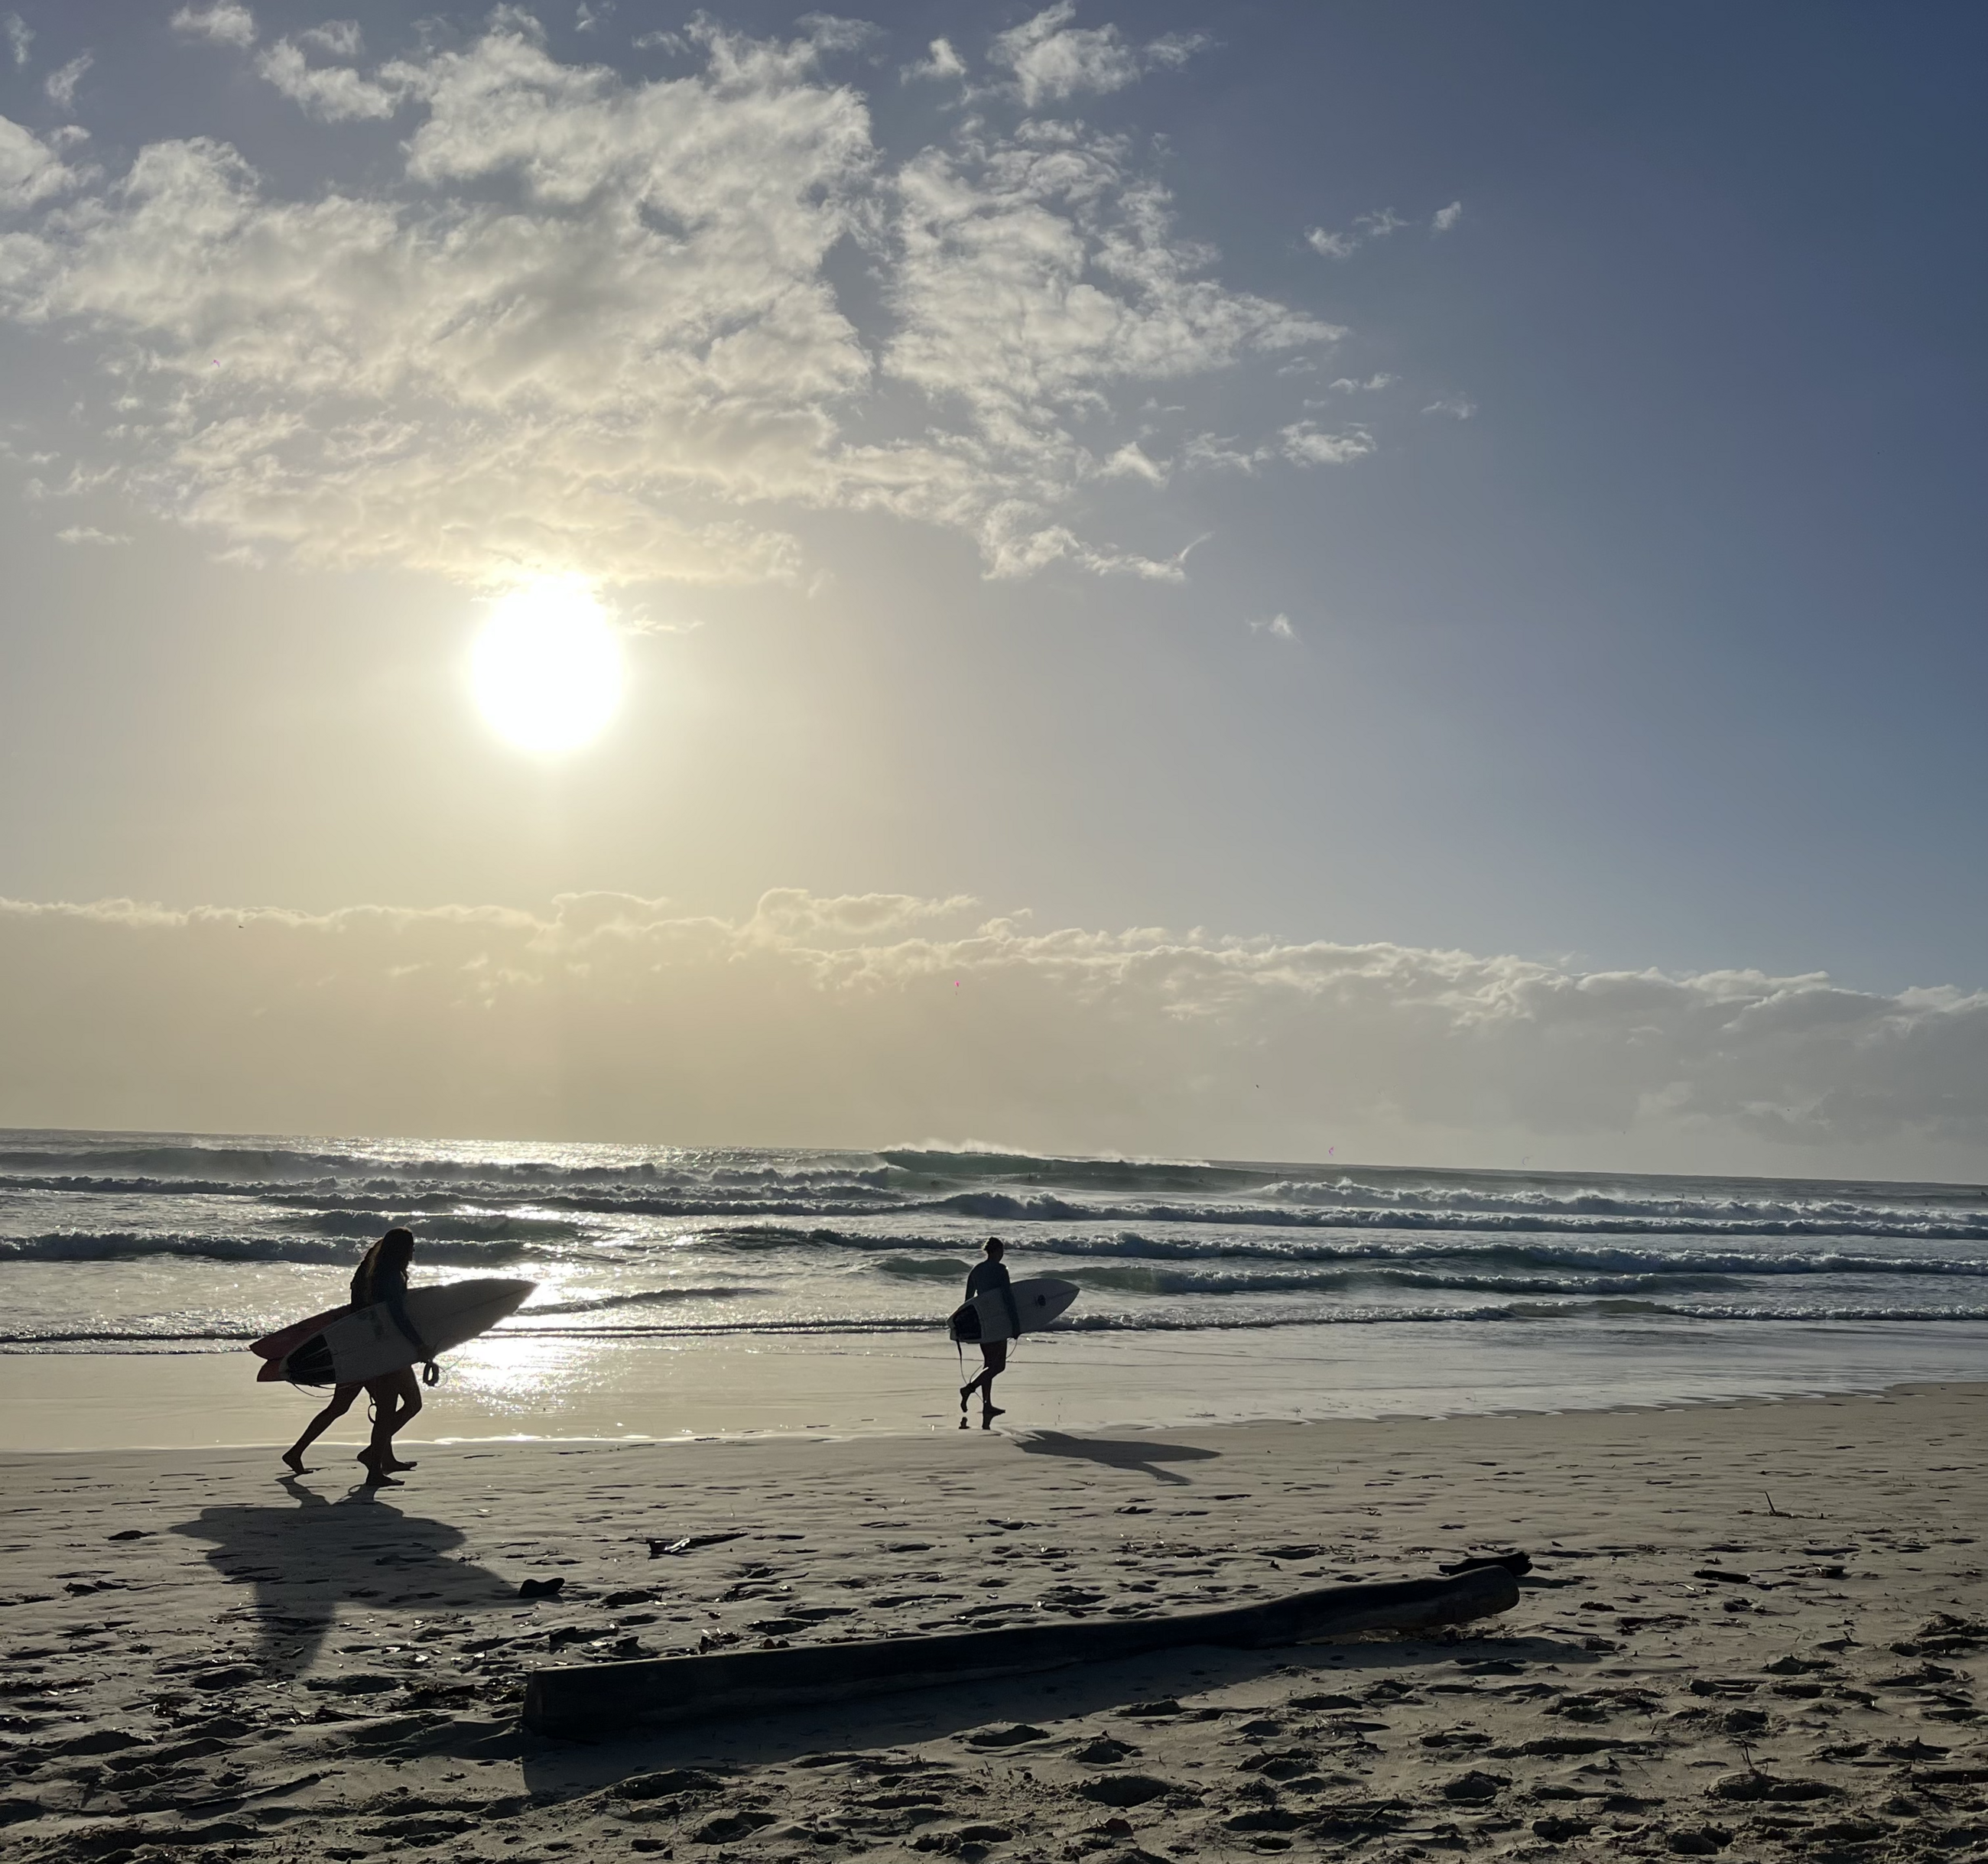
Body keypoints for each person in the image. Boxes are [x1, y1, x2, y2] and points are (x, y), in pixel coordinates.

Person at [281, 1227, 437, 1486]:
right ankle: (374, 1467)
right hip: (383, 1352)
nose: (412, 1252)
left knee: (340, 1407)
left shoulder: (368, 1273)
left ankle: (296, 1452)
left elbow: (358, 1312)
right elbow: (396, 1316)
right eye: (411, 1247)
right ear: (401, 1249)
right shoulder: (392, 1277)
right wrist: (418, 1345)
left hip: (353, 1348)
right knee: (399, 1407)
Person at [960, 1236, 1022, 1430]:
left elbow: (968, 1300)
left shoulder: (976, 1270)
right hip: (999, 1321)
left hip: (982, 1321)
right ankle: (968, 1389)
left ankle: (987, 1405)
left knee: (989, 1364)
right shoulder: (1001, 1270)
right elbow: (1007, 1297)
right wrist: (1015, 1324)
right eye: (1002, 1251)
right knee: (999, 1366)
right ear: (996, 1252)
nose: (1003, 1255)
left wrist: (965, 1325)